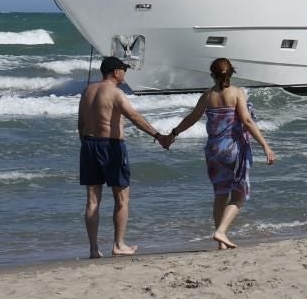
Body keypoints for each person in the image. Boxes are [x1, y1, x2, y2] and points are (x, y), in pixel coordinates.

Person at [162, 58, 276, 249]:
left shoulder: (207, 96)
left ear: (212, 75)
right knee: (239, 195)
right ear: (232, 73)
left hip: (214, 152)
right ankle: (221, 231)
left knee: (220, 194)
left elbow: (191, 118)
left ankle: (220, 243)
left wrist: (173, 134)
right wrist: (266, 146)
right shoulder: (238, 92)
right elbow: (247, 121)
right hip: (234, 150)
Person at [77, 56, 166, 258]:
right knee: (122, 197)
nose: (125, 73)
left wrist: (87, 144)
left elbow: (81, 124)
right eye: (123, 70)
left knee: (92, 200)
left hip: (89, 145)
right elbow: (134, 117)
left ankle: (93, 249)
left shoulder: (87, 91)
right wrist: (158, 136)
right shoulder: (115, 93)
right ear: (115, 72)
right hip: (111, 146)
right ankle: (119, 244)